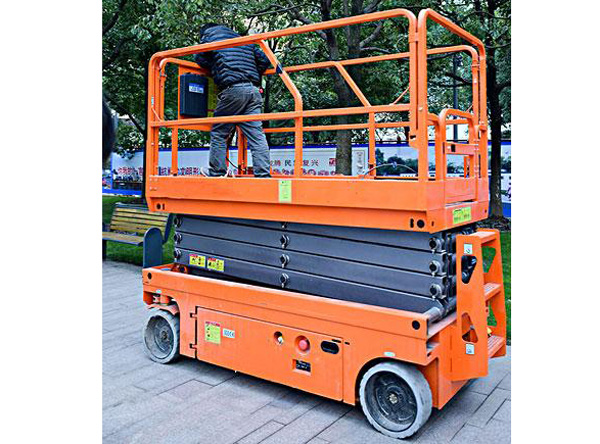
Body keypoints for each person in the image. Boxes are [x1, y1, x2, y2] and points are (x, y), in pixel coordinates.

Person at [195, 23, 272, 177]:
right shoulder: (243, 40)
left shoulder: (210, 37)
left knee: (219, 131)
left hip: (233, 90)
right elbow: (265, 60)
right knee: (256, 135)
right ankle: (263, 175)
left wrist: (216, 68)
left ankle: (217, 171)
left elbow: (199, 58)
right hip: (253, 90)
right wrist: (250, 74)